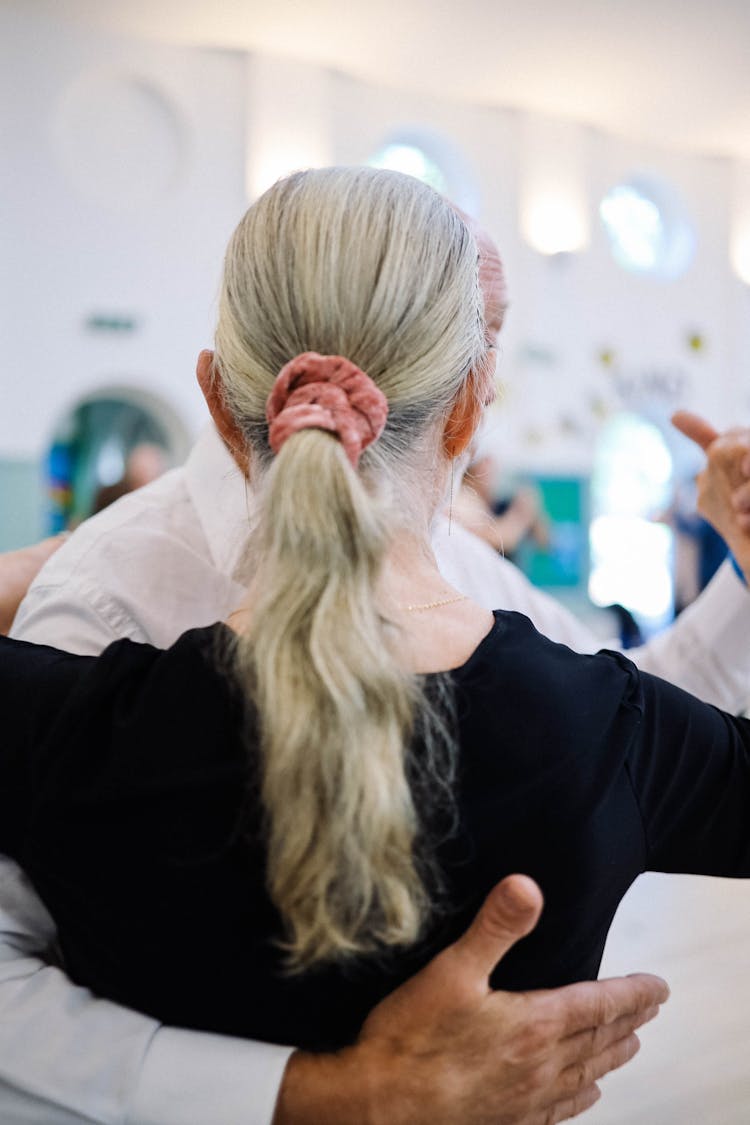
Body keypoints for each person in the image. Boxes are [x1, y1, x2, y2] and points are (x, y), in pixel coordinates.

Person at [1, 167, 749, 1118]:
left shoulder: (469, 571)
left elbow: (639, 711)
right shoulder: (107, 586)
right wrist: (324, 1094)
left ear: (213, 385)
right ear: (474, 400)